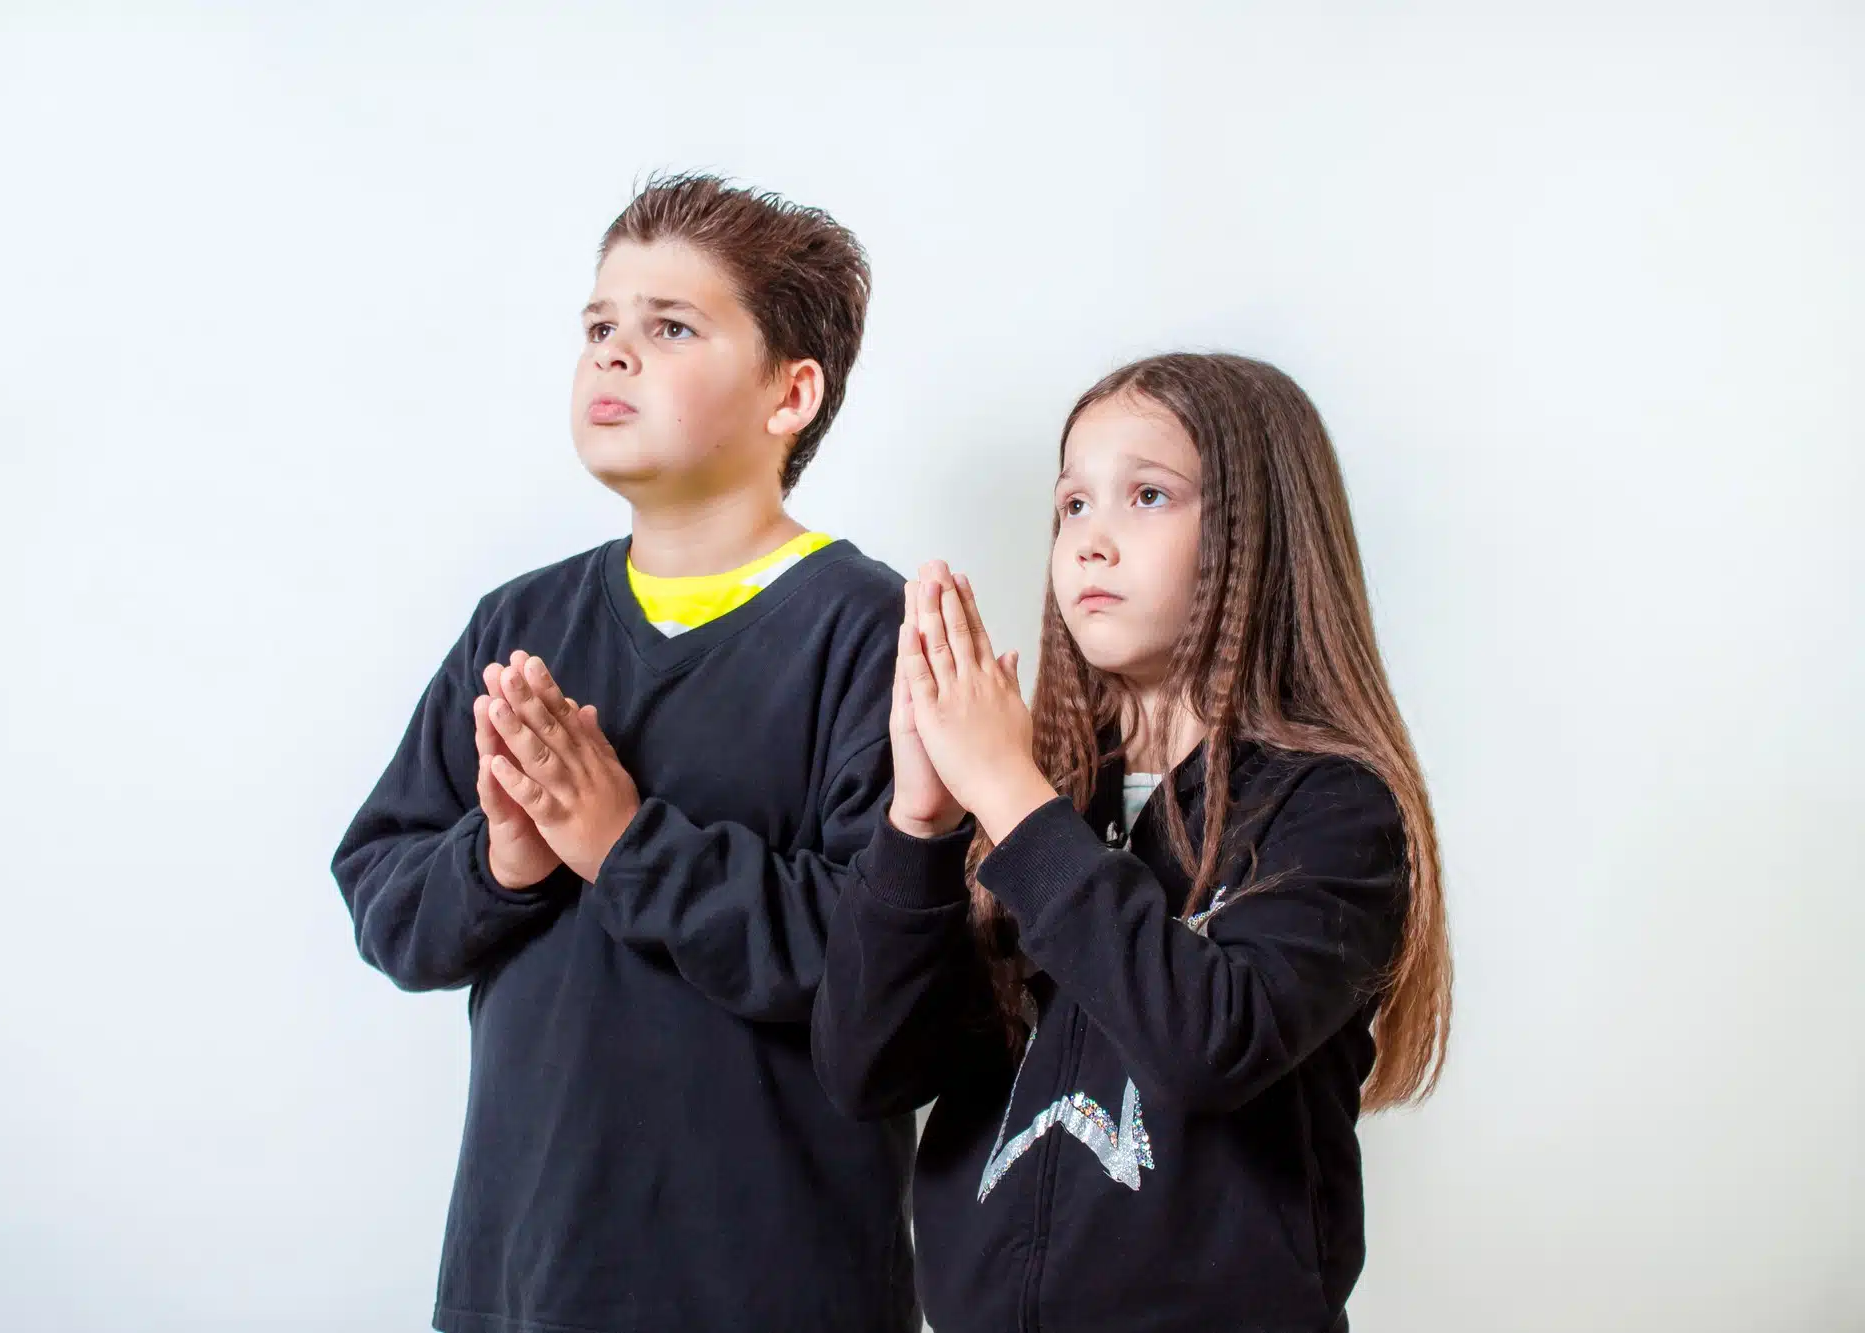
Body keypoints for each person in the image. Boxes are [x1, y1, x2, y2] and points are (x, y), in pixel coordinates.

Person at [334, 173, 917, 1333]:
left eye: (668, 327)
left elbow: (879, 971)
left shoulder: (871, 631)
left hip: (772, 1286)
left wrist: (624, 843)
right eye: (598, 326)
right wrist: (501, 857)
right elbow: (385, 899)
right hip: (529, 1277)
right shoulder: (517, 626)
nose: (612, 355)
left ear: (788, 393)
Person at [812, 352, 1454, 1332]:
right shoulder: (1046, 801)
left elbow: (1209, 1043)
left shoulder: (1328, 807)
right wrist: (921, 824)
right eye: (1072, 503)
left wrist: (1005, 793)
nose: (1089, 541)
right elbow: (866, 1070)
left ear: (1255, 535)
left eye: (1146, 495)